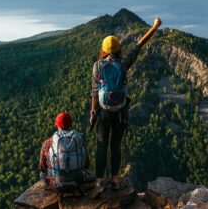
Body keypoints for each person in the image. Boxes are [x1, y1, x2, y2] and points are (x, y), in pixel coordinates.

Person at [90, 18, 162, 189]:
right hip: (121, 111)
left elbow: (94, 92)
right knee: (115, 146)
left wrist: (93, 112)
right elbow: (139, 45)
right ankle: (115, 178)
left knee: (102, 146)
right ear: (118, 49)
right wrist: (155, 27)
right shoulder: (123, 64)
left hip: (103, 111)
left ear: (104, 50)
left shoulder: (98, 66)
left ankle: (99, 180)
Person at [39, 112, 94, 192]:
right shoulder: (79, 140)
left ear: (56, 125)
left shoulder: (48, 143)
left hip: (57, 181)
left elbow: (42, 167)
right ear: (70, 125)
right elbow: (86, 164)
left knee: (42, 174)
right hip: (77, 180)